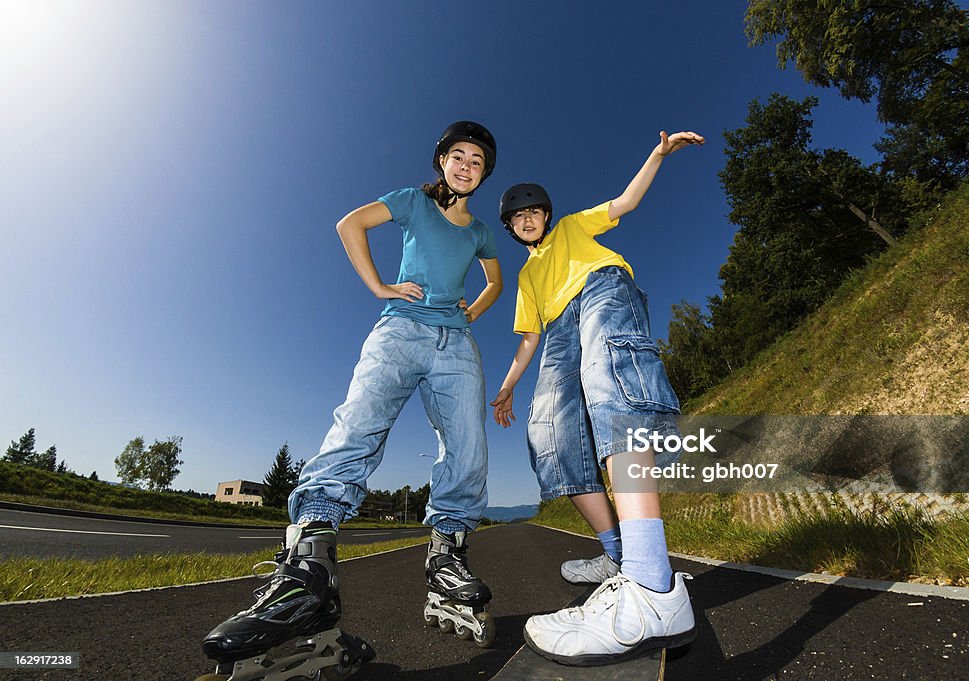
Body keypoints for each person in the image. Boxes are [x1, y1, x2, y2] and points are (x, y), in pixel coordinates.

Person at [201, 121, 503, 670]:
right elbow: (351, 224)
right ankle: (305, 572)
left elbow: (495, 280)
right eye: (456, 155)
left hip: (455, 345)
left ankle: (448, 559)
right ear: (441, 161)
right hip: (400, 332)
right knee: (357, 427)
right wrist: (380, 286)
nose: (464, 165)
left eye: (476, 160)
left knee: (468, 447)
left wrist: (474, 311)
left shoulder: (479, 231)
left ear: (483, 174)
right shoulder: (413, 201)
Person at [491, 129, 704, 665]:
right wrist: (507, 387)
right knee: (551, 434)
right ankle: (617, 556)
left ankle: (652, 585)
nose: (527, 222)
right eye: (517, 220)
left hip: (601, 289)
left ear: (545, 213)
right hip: (556, 329)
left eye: (532, 213)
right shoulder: (526, 277)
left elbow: (626, 202)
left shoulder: (571, 228)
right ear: (513, 230)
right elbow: (528, 341)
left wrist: (657, 154)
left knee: (610, 382)